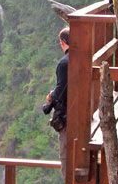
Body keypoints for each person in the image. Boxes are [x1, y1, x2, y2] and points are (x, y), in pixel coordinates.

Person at [45, 27, 69, 179]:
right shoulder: (83, 57)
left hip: (67, 115)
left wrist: (50, 99)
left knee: (66, 157)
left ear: (63, 42)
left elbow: (60, 89)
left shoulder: (63, 63)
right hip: (82, 113)